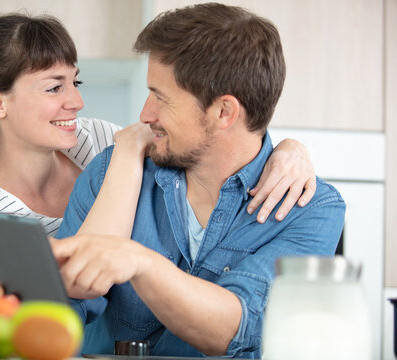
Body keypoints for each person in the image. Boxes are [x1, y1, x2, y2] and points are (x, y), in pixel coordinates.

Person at [53, 3, 345, 359]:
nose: (145, 115)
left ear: (224, 112)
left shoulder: (310, 209)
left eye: (162, 98)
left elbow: (239, 327)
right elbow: (60, 307)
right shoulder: (111, 172)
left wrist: (140, 262)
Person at [0, 13, 317, 238]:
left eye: (75, 81)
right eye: (54, 88)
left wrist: (289, 150)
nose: (77, 101)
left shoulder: (94, 137)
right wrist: (127, 149)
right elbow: (78, 281)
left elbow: (200, 145)